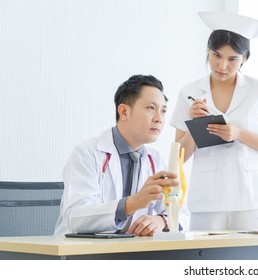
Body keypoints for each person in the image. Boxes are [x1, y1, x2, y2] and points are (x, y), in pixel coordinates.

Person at [170, 11, 258, 231]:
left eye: (232, 59)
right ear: (207, 52)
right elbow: (177, 157)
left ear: (245, 58)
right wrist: (194, 126)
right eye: (216, 55)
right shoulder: (190, 92)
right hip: (208, 200)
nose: (222, 66)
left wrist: (239, 134)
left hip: (251, 198)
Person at [55, 74, 184, 236]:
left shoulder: (156, 160)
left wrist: (162, 220)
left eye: (163, 111)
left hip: (131, 252)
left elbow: (182, 211)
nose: (159, 119)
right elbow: (76, 218)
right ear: (124, 112)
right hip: (83, 253)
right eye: (151, 108)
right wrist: (133, 203)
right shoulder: (87, 154)